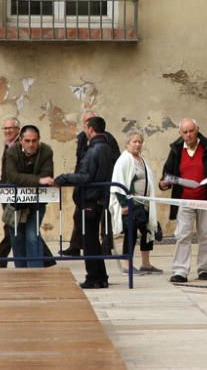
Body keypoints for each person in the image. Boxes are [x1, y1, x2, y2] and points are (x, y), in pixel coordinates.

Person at [159, 119, 207, 284]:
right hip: (184, 200)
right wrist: (164, 183)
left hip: (206, 198)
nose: (189, 135)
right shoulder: (176, 149)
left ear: (197, 129)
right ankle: (180, 271)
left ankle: (205, 270)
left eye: (191, 131)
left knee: (206, 235)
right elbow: (167, 172)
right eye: (185, 132)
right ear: (180, 133)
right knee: (183, 236)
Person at [54, 116, 119, 289]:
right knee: (94, 241)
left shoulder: (94, 150)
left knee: (89, 241)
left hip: (90, 198)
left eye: (85, 127)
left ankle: (93, 277)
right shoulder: (106, 147)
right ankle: (101, 276)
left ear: (90, 129)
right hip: (99, 198)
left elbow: (85, 176)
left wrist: (63, 178)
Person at [62, 111, 121, 256]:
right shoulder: (82, 138)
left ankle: (106, 246)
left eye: (91, 121)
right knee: (79, 216)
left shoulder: (106, 140)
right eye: (87, 122)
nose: (88, 125)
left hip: (101, 183)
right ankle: (76, 245)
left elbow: (114, 160)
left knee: (104, 217)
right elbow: (80, 159)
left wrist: (65, 178)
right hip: (84, 185)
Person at [109, 131, 162, 275]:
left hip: (144, 203)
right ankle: (127, 265)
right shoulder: (124, 160)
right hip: (131, 204)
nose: (138, 144)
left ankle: (146, 264)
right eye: (134, 141)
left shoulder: (142, 159)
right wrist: (124, 204)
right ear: (127, 144)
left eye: (139, 142)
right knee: (130, 233)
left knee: (147, 232)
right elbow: (118, 183)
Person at [3, 125, 55, 267]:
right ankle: (21, 271)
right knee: (16, 237)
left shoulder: (46, 151)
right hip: (14, 202)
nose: (31, 144)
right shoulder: (12, 152)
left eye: (34, 140)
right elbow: (12, 176)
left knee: (32, 236)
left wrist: (30, 180)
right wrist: (37, 180)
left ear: (39, 140)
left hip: (36, 202)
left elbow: (47, 174)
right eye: (27, 140)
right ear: (21, 140)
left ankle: (35, 271)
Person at [0, 117, 22, 268]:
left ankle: (0, 260)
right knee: (12, 226)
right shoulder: (8, 145)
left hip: (15, 192)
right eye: (5, 128)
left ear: (18, 129)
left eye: (11, 128)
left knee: (12, 226)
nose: (8, 131)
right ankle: (0, 260)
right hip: (6, 191)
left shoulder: (20, 145)